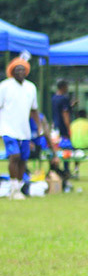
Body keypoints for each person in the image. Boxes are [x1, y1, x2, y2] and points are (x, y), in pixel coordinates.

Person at [0, 56, 39, 199]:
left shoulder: (31, 87)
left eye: (22, 69)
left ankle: (19, 185)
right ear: (12, 71)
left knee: (23, 158)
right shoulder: (4, 86)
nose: (20, 72)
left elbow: (34, 110)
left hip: (24, 130)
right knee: (14, 156)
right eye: (17, 70)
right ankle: (13, 186)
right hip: (8, 128)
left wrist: (38, 127)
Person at [69, 108, 88, 178]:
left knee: (76, 153)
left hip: (74, 145)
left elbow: (70, 134)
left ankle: (76, 169)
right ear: (86, 115)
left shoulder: (73, 123)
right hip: (87, 145)